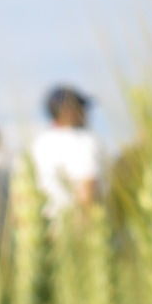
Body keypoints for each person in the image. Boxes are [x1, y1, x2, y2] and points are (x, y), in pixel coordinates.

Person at [32, 86, 102, 216]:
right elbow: (87, 189)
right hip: (74, 225)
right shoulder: (83, 141)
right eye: (82, 108)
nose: (86, 114)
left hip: (42, 225)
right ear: (70, 111)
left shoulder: (37, 143)